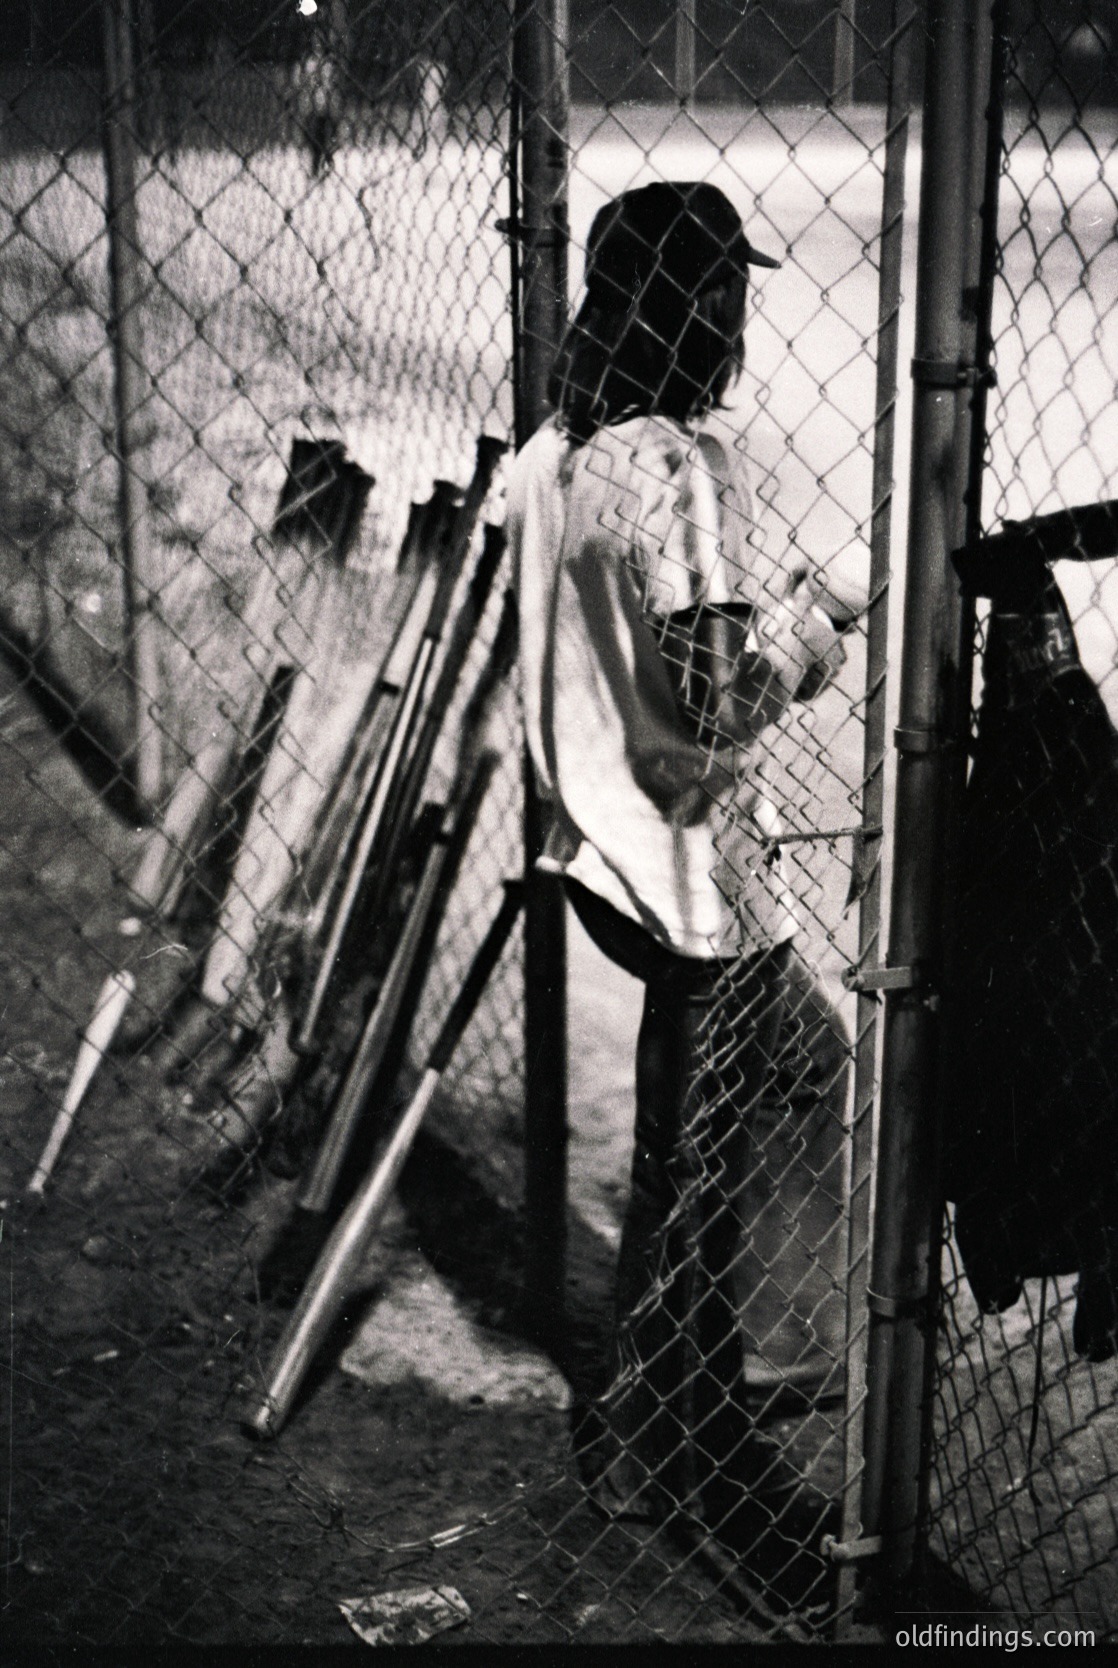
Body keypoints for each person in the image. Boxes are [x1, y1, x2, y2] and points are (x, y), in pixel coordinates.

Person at [506, 181, 867, 1587]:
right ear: (707, 304)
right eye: (735, 290)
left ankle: (726, 1377)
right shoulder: (683, 467)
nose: (745, 316)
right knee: (696, 1160)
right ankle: (657, 1431)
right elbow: (718, 701)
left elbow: (606, 634)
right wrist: (816, 628)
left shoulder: (556, 450)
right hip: (688, 868)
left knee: (772, 1084)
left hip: (593, 837)